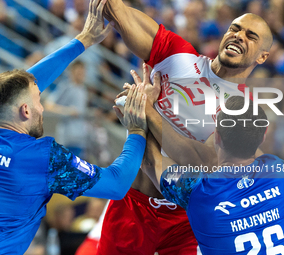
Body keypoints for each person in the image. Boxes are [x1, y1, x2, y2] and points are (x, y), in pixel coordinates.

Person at [78, 0, 273, 254]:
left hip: (185, 223)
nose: (238, 36)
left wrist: (145, 112)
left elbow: (205, 163)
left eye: (251, 36)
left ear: (263, 56)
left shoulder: (247, 112)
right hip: (134, 205)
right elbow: (116, 10)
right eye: (234, 29)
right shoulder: (178, 55)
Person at [0, 0, 147, 253]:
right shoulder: (43, 158)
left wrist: (82, 41)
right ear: (25, 111)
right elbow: (116, 185)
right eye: (39, 101)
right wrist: (137, 130)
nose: (43, 107)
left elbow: (19, 88)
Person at [139, 94, 284, 255]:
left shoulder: (197, 190)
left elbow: (150, 162)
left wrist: (146, 111)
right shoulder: (278, 169)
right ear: (263, 136)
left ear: (218, 137)